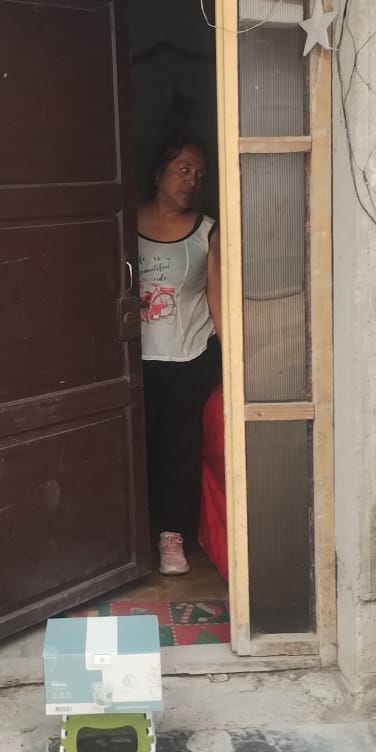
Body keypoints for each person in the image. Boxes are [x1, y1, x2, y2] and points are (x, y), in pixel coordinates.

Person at [138, 138, 222, 576]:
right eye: (184, 169)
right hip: (133, 361)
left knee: (179, 449)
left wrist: (233, 360)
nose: (192, 180)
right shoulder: (122, 221)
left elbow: (217, 298)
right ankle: (127, 538)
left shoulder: (207, 231)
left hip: (188, 359)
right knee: (137, 447)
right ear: (158, 173)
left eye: (200, 174)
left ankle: (171, 537)